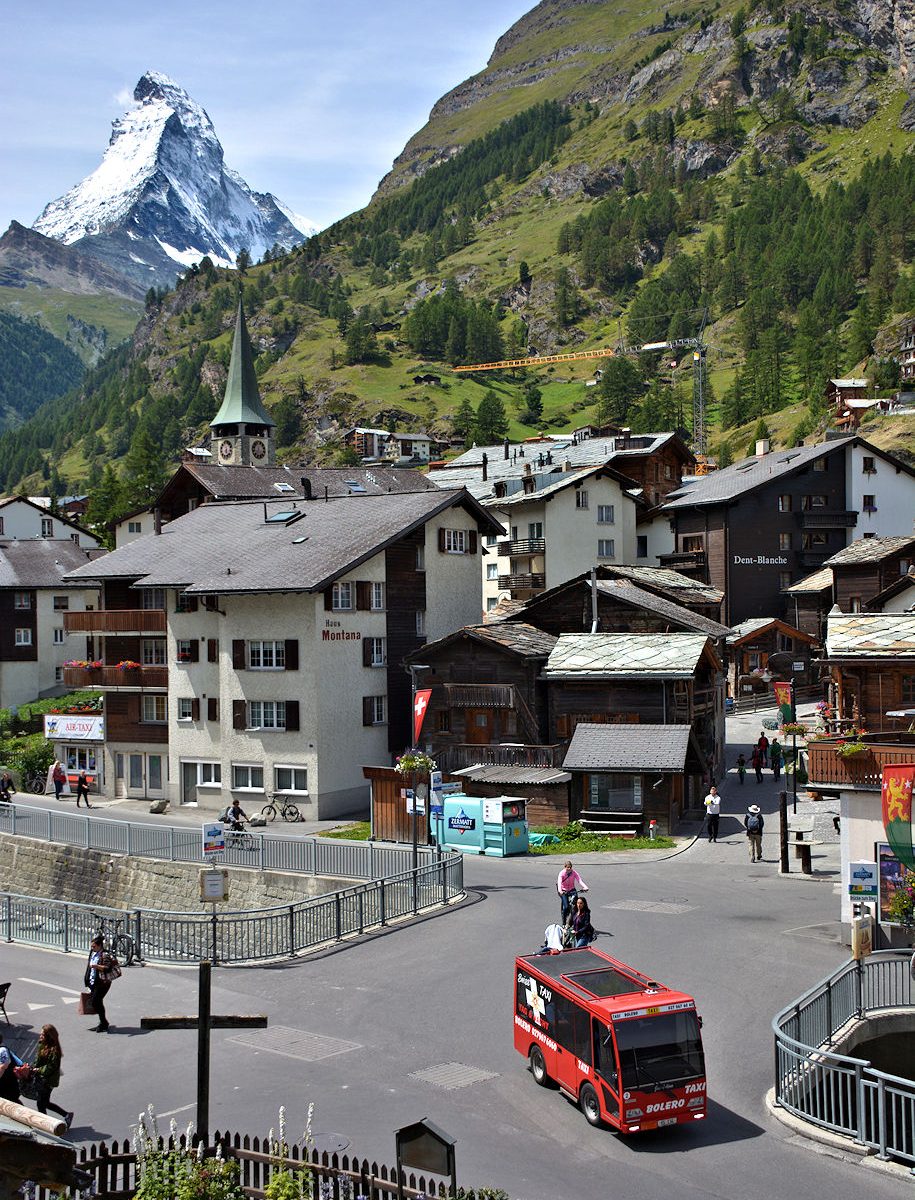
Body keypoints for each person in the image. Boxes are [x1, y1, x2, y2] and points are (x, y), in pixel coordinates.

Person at [31, 1024, 72, 1128]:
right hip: (41, 1077)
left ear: (49, 1037)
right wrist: (31, 1068)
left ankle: (45, 1125)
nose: (40, 1037)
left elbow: (52, 1067)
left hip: (48, 1081)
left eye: (42, 1035)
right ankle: (66, 1115)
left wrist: (38, 1070)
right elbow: (37, 1060)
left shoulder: (55, 1051)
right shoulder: (42, 1044)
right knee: (45, 1103)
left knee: (41, 1104)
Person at [85, 936, 115, 1032]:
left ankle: (104, 1023)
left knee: (95, 1002)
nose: (92, 948)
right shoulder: (93, 953)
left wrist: (97, 966)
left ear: (99, 946)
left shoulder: (105, 955)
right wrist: (87, 980)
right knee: (98, 1002)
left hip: (102, 983)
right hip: (94, 982)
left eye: (93, 947)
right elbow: (89, 967)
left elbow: (107, 968)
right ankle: (103, 1023)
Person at [0, 1031, 21, 1103]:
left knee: (12, 1103)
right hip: (6, 1087)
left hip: (8, 1086)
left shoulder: (2, 1051)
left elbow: (3, 1067)